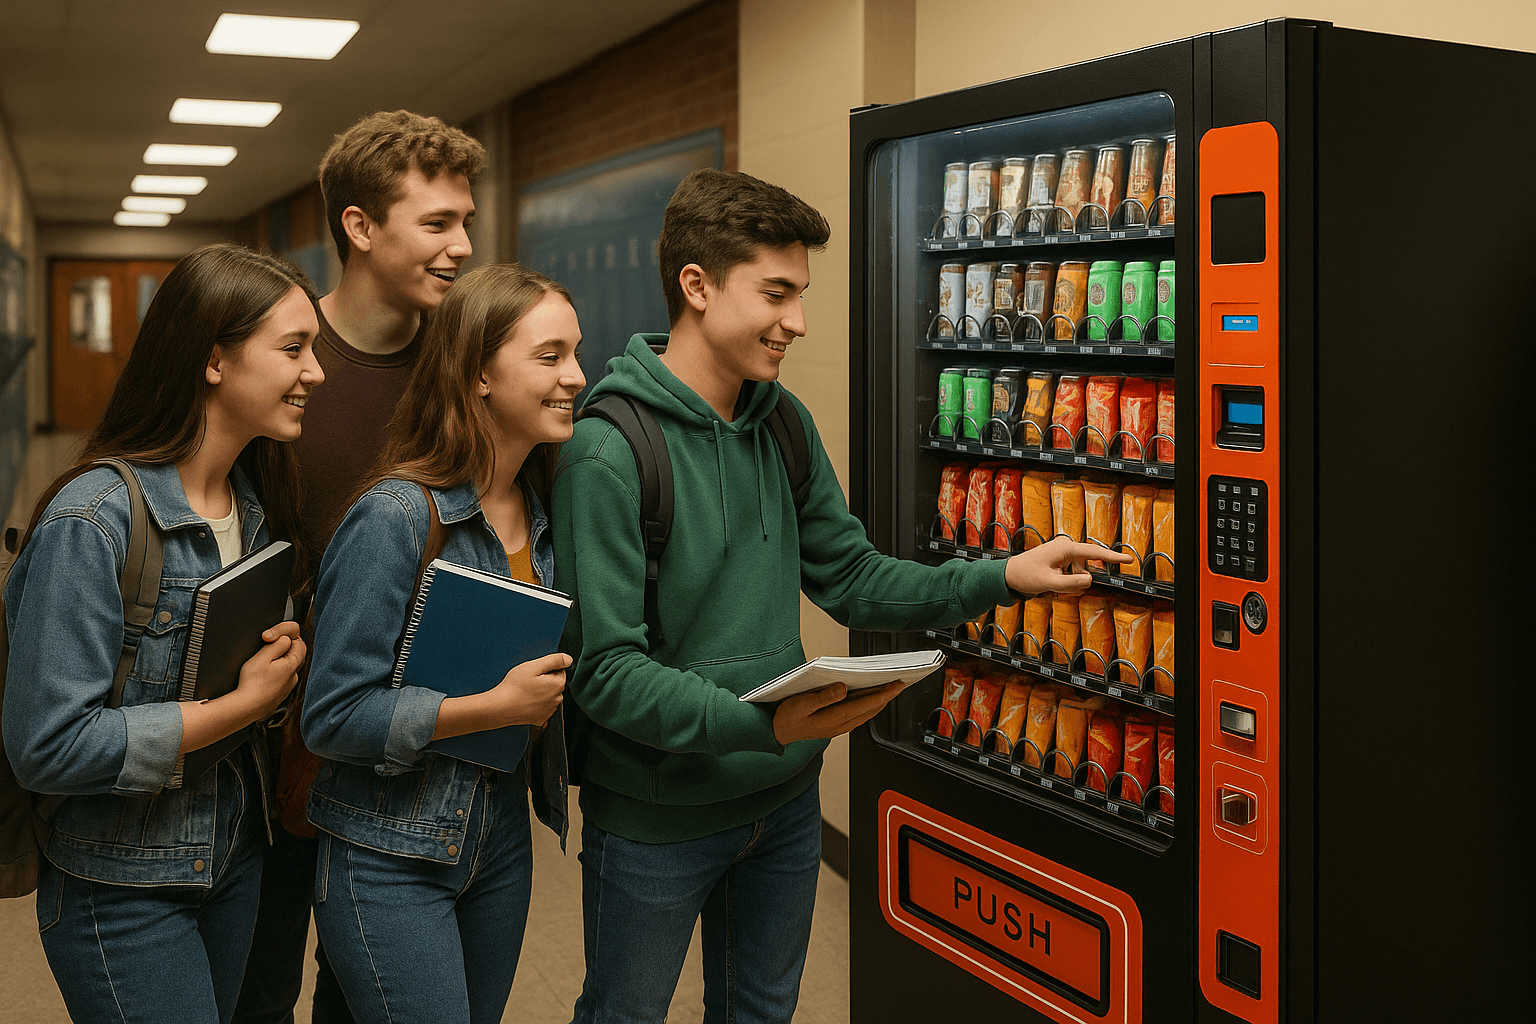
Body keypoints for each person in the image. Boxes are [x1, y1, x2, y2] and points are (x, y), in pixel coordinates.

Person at [551, 168, 1130, 1023]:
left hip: (784, 802)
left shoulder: (781, 423)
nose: (797, 322)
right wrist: (765, 723)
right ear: (698, 286)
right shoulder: (606, 454)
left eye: (801, 294)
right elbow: (605, 673)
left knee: (762, 1011)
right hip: (656, 820)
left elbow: (853, 580)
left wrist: (1003, 576)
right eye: (776, 294)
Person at [2, 243, 323, 1024]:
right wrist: (244, 705)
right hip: (120, 884)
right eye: (293, 349)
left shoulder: (254, 505)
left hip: (232, 857)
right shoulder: (92, 522)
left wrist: (275, 680)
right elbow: (48, 745)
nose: (317, 372)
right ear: (214, 361)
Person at [235, 109, 484, 1024]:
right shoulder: (285, 359)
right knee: (260, 977)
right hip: (275, 731)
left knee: (363, 986)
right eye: (437, 224)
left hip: (405, 738)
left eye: (465, 221)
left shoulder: (461, 368)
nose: (461, 246)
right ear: (360, 227)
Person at [301, 263, 581, 1024]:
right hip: (387, 848)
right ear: (480, 373)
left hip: (499, 838)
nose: (576, 377)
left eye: (575, 354)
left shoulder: (544, 507)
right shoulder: (394, 516)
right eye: (550, 357)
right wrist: (491, 708)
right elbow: (331, 717)